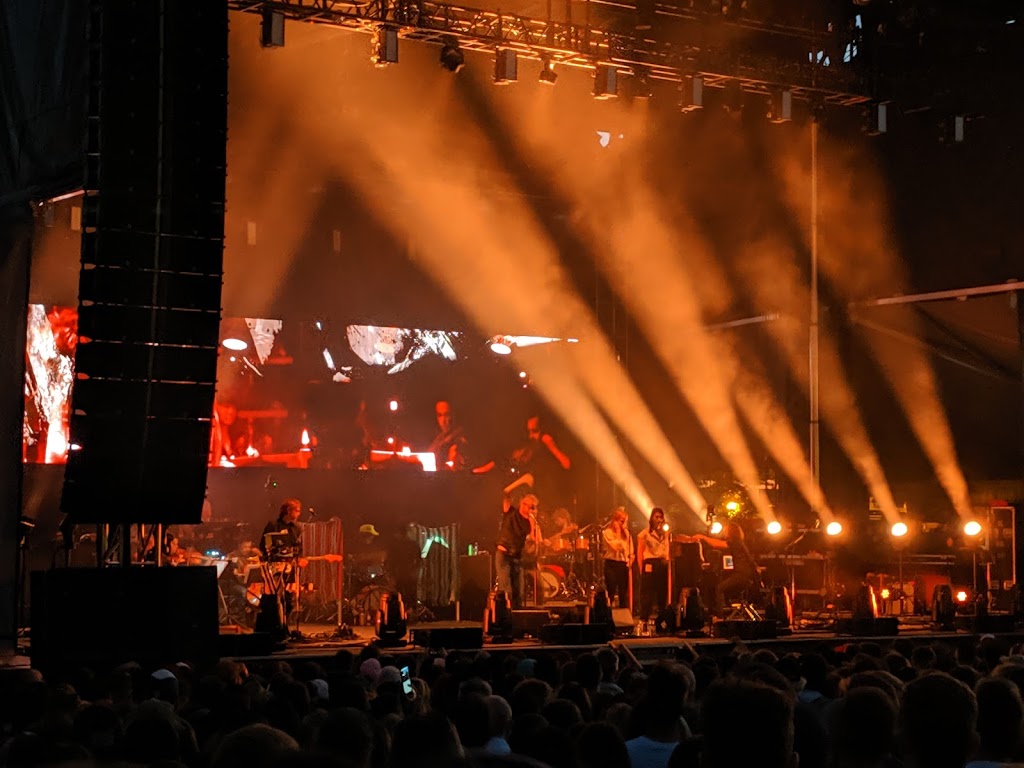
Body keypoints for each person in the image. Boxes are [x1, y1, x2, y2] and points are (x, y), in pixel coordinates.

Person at [511, 415, 572, 511]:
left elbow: (565, 462)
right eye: (529, 431)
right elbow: (525, 458)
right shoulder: (532, 443)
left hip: (549, 486)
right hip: (538, 488)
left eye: (534, 431)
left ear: (540, 428)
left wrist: (554, 449)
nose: (530, 435)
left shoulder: (545, 439)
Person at [495, 493, 541, 608]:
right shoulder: (511, 511)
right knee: (506, 589)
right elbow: (505, 493)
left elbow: (536, 539)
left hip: (517, 556)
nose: (529, 508)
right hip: (503, 554)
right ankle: (504, 615)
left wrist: (533, 520)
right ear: (522, 503)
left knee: (519, 591)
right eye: (528, 505)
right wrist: (523, 480)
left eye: (532, 507)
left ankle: (517, 617)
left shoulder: (528, 522)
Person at [637, 507, 670, 618]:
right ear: (651, 518)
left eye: (661, 517)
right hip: (649, 562)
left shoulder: (666, 533)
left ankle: (663, 619)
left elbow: (668, 549)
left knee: (662, 592)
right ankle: (644, 618)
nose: (659, 519)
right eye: (656, 517)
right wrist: (641, 567)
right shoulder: (645, 534)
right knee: (647, 593)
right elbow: (640, 552)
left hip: (662, 563)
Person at [602, 506, 634, 610]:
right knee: (611, 589)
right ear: (615, 521)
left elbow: (631, 551)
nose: (624, 524)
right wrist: (619, 532)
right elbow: (616, 547)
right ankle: (609, 614)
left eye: (625, 522)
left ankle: (624, 615)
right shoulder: (607, 533)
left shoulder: (627, 534)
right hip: (611, 563)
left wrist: (630, 561)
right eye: (622, 521)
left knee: (623, 592)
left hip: (622, 564)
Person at [428, 400, 470, 471]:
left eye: (447, 414)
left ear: (454, 414)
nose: (443, 420)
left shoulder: (461, 438)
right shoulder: (439, 438)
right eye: (440, 415)